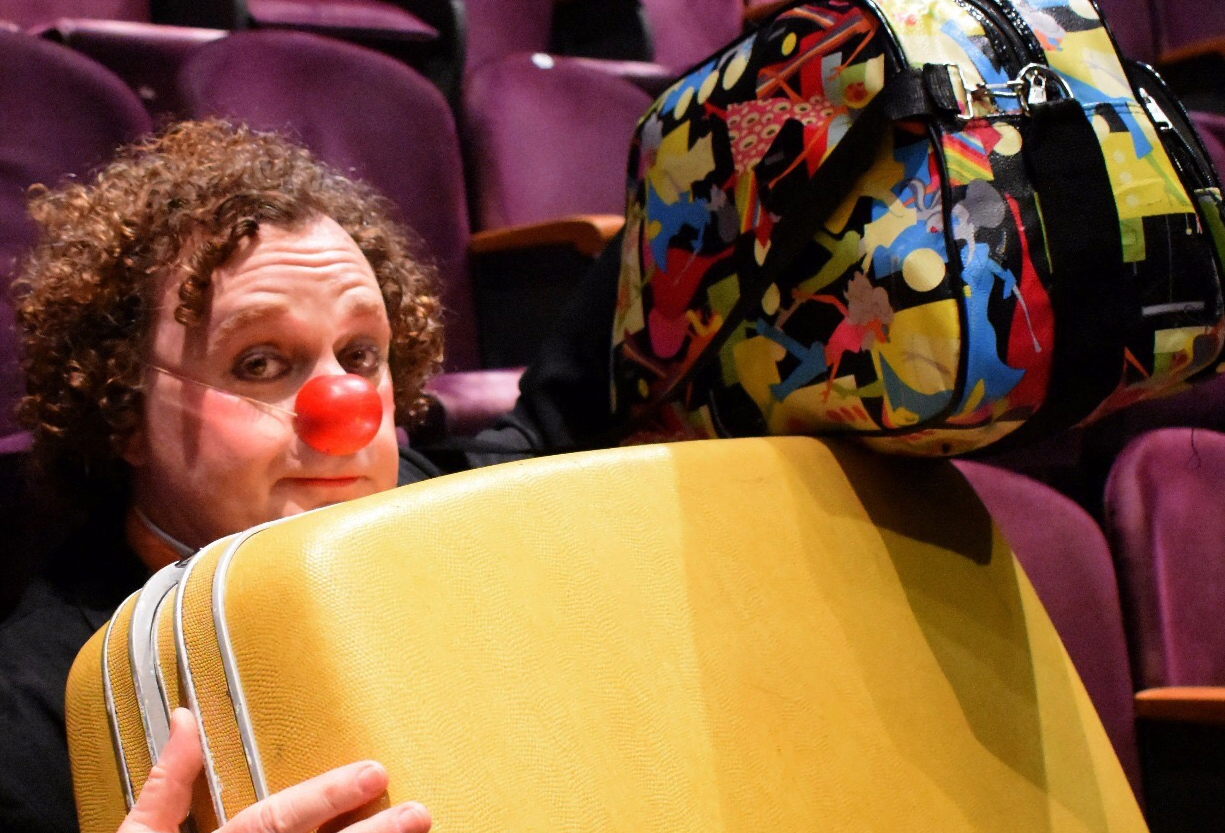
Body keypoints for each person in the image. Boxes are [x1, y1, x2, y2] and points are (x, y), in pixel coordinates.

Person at [0, 119, 450, 833]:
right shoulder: (37, 714)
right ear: (124, 409)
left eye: (361, 355)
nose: (345, 413)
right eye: (259, 363)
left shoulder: (459, 538)